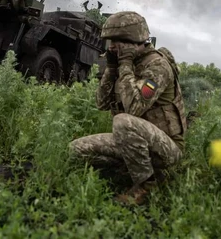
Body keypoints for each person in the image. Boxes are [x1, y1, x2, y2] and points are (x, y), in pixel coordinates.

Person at [69, 11, 187, 205]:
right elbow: (102, 103)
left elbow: (133, 109)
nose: (112, 47)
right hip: (133, 141)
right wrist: (112, 69)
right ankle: (131, 166)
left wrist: (124, 65)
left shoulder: (158, 66)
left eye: (118, 41)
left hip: (166, 148)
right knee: (76, 149)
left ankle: (146, 185)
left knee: (122, 120)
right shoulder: (125, 64)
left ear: (135, 40)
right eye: (110, 42)